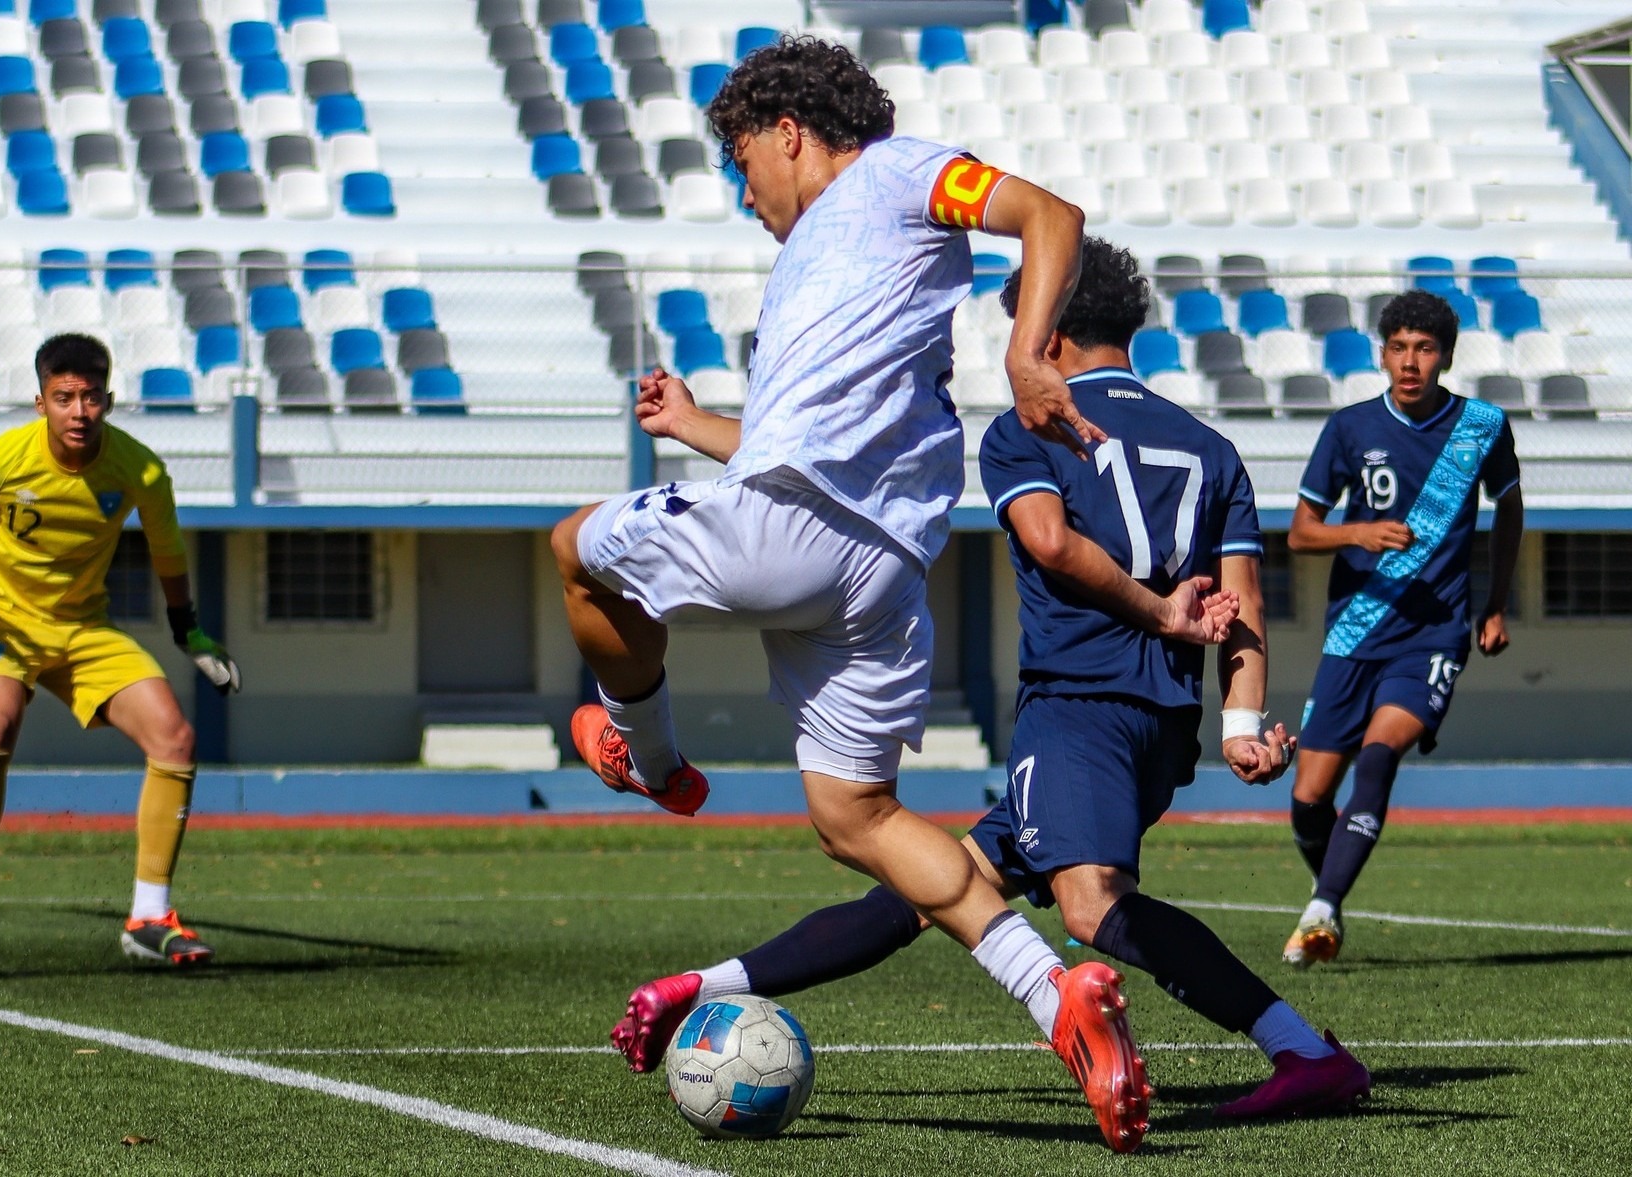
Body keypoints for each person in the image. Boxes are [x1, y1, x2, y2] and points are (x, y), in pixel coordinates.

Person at [604, 241, 1373, 1124]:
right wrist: (1240, 721)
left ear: (1047, 333)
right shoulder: (1213, 449)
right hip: (1164, 721)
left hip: (1075, 706)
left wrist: (1157, 612)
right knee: (934, 889)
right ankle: (697, 987)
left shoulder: (1026, 429)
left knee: (1090, 904)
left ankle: (1303, 1051)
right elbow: (1241, 601)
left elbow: (1041, 538)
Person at [550, 37, 1156, 1151]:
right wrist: (695, 429)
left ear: (788, 131)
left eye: (743, 162)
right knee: (855, 817)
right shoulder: (833, 265)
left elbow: (1051, 215)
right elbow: (803, 454)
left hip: (795, 531)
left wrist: (1027, 355)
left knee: (573, 547)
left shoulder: (891, 174)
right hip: (876, 571)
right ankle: (1053, 995)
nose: (744, 192)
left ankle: (650, 753)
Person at [0, 333, 241, 968]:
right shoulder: (0, 458)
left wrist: (188, 631)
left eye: (91, 397)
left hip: (86, 630)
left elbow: (169, 553)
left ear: (109, 401)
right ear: (41, 403)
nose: (79, 412)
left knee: (175, 738)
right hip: (5, 622)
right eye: (65, 398)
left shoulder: (140, 469)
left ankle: (149, 915)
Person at [1283, 289, 1523, 966]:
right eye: (1398, 347)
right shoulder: (1350, 428)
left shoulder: (1482, 426)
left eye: (1424, 348)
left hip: (1433, 633)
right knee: (1307, 802)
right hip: (1354, 630)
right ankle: (1329, 879)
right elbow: (1300, 533)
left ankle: (1323, 910)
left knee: (1382, 750)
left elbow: (1509, 505)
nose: (1410, 361)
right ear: (1381, 353)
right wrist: (1359, 531)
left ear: (1445, 355)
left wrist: (1496, 603)